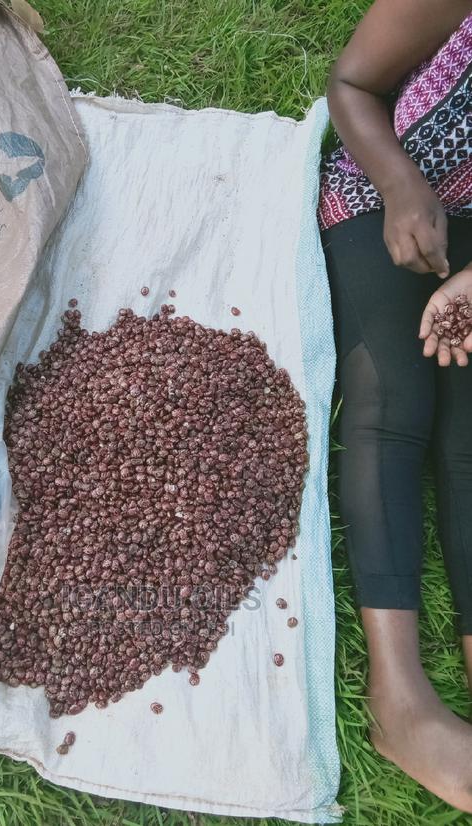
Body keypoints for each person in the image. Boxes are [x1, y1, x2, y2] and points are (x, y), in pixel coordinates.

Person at [319, 0, 472, 811]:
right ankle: (400, 700)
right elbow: (352, 83)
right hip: (392, 190)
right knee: (392, 408)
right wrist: (403, 186)